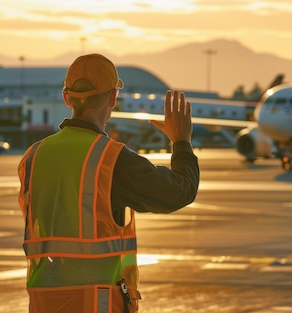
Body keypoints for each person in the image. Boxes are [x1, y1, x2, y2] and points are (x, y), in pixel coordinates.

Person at [17, 53, 199, 313]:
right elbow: (179, 191)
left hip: (44, 304)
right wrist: (181, 142)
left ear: (66, 98)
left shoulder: (33, 157)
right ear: (113, 98)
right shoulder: (110, 159)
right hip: (96, 304)